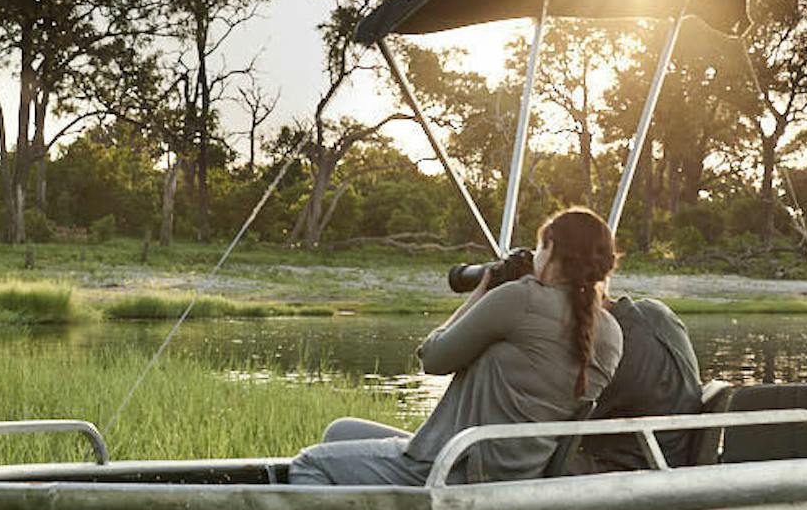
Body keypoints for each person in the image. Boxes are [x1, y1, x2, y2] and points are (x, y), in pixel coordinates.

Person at [288, 207, 625, 486]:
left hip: (456, 469)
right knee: (339, 432)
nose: (536, 256)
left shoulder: (521, 298)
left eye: (539, 248)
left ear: (551, 249)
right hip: (518, 474)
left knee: (309, 465)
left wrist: (481, 294)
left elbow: (432, 359)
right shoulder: (612, 333)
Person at [578, 294, 706, 472]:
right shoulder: (656, 310)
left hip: (638, 466)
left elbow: (569, 415)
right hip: (676, 452)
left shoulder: (611, 344)